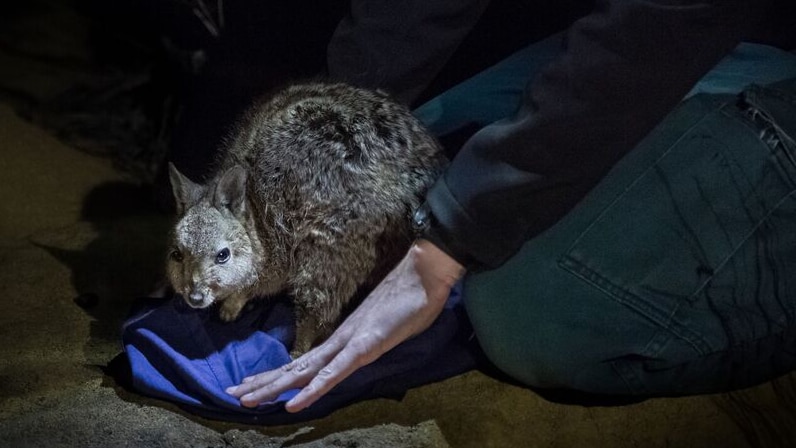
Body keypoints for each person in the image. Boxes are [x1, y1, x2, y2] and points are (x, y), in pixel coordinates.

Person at [225, 0, 796, 412]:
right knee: (400, 160)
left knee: (525, 313)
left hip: (737, 43)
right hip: (644, 23)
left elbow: (657, 35)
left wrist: (442, 247)